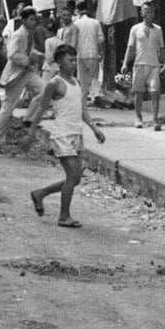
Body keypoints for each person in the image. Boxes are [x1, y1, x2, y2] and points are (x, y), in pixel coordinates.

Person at [29, 45, 106, 228]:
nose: (73, 64)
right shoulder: (54, 83)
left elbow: (82, 110)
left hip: (76, 134)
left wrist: (94, 128)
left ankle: (40, 193)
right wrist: (31, 132)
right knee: (72, 177)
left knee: (76, 178)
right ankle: (64, 216)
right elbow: (41, 107)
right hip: (62, 134)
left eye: (74, 60)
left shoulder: (76, 82)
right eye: (69, 60)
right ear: (59, 62)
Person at [0, 6, 43, 155]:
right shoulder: (18, 35)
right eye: (31, 19)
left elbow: (28, 51)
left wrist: (36, 55)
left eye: (34, 19)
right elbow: (12, 54)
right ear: (24, 20)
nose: (34, 22)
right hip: (15, 74)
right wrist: (27, 59)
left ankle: (28, 119)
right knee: (7, 109)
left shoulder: (30, 34)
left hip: (27, 71)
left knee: (44, 89)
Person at [122, 1, 165, 130]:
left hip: (154, 65)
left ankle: (155, 119)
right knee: (138, 92)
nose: (149, 14)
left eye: (151, 12)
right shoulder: (135, 29)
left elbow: (161, 48)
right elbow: (130, 47)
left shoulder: (158, 29)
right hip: (139, 64)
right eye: (146, 11)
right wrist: (125, 63)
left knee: (154, 92)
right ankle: (138, 117)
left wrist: (164, 63)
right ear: (141, 13)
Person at [71, 1, 105, 103]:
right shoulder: (96, 22)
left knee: (82, 78)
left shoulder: (75, 23)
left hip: (80, 55)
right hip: (94, 54)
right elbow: (101, 40)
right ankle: (97, 96)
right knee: (94, 77)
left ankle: (83, 100)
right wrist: (101, 53)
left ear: (78, 10)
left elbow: (74, 40)